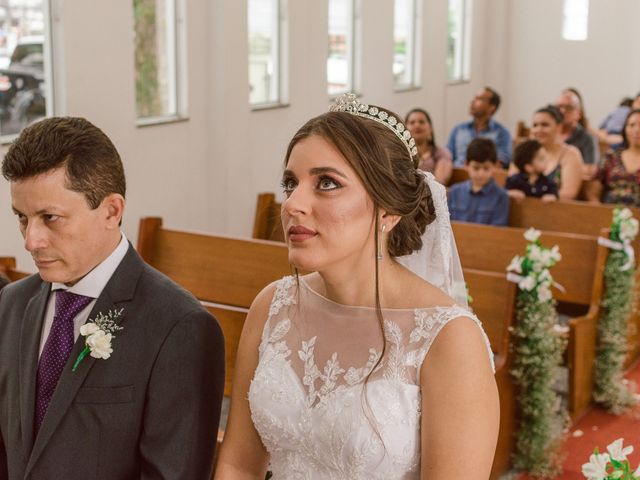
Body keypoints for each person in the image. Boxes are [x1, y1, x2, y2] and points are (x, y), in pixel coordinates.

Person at [214, 93, 499, 479]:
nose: (293, 204)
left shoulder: (448, 339)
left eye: (327, 183)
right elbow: (239, 465)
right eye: (290, 183)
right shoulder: (272, 305)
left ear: (388, 210)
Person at [0, 117, 225, 479]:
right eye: (22, 218)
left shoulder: (179, 328)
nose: (31, 240)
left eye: (50, 217)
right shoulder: (11, 305)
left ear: (111, 210)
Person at [511, 105, 583, 200]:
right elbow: (512, 182)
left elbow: (569, 193)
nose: (538, 130)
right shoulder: (523, 151)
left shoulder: (570, 154)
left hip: (554, 209)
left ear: (558, 127)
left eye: (544, 125)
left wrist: (542, 200)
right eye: (535, 125)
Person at [448, 137, 510, 226]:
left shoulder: (501, 196)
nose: (481, 174)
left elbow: (497, 231)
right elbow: (446, 226)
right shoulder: (454, 192)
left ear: (495, 166)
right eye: (476, 168)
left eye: (486, 168)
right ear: (466, 165)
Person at [447, 87, 512, 168]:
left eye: (479, 99)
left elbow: (502, 161)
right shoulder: (458, 129)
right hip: (456, 176)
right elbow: (447, 156)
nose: (472, 101)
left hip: (483, 176)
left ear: (492, 107)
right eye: (474, 98)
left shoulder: (502, 133)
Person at [587, 109, 640, 206]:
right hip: (608, 215)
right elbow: (593, 193)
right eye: (632, 125)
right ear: (625, 128)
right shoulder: (611, 156)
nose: (636, 130)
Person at [405, 108, 453, 185]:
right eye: (412, 122)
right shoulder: (399, 153)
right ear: (404, 129)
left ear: (430, 128)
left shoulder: (442, 153)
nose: (417, 125)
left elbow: (439, 183)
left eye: (421, 122)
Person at [555, 89, 599, 167]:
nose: (562, 111)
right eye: (559, 107)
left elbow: (590, 171)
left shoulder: (588, 139)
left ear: (578, 113)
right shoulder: (548, 134)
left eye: (569, 107)